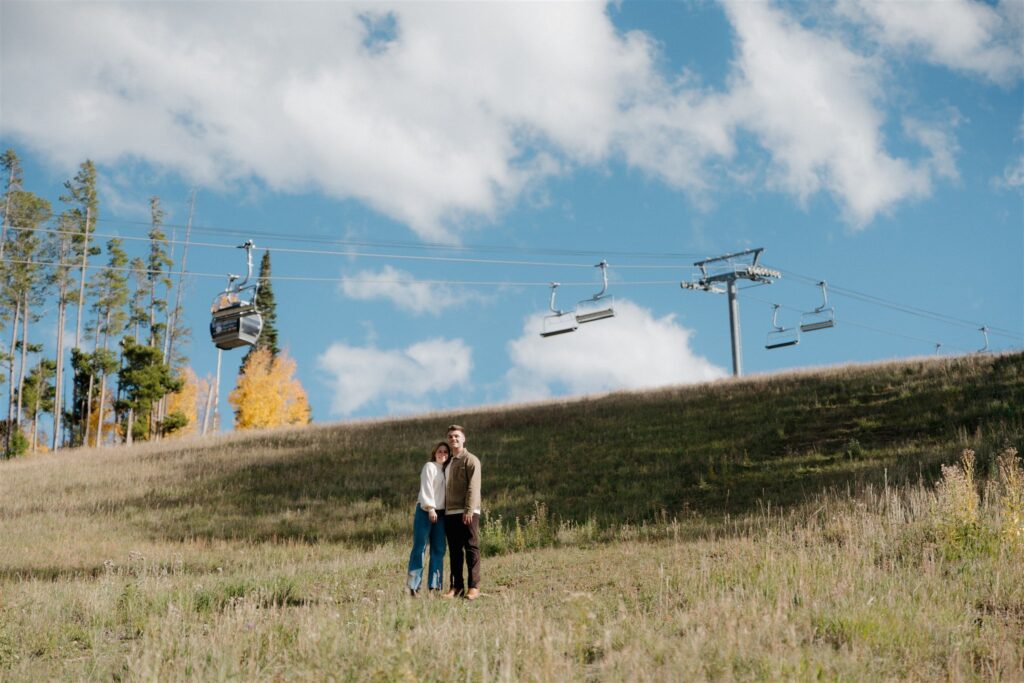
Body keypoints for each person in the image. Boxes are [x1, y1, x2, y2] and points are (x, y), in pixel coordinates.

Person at [442, 424, 482, 600]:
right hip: (450, 513)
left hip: (468, 512)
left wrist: (469, 510)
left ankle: (473, 587)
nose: (453, 439)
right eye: (450, 437)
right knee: (455, 551)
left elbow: (474, 487)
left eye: (457, 436)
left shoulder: (471, 460)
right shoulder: (448, 462)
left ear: (463, 439)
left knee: (471, 548)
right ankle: (456, 587)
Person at [407, 441, 449, 596]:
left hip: (442, 514)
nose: (442, 454)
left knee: (439, 549)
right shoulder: (429, 467)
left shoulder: (447, 470)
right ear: (434, 452)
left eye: (446, 452)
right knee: (420, 548)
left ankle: (435, 586)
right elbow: (426, 488)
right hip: (425, 511)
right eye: (440, 451)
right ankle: (413, 586)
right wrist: (431, 509)